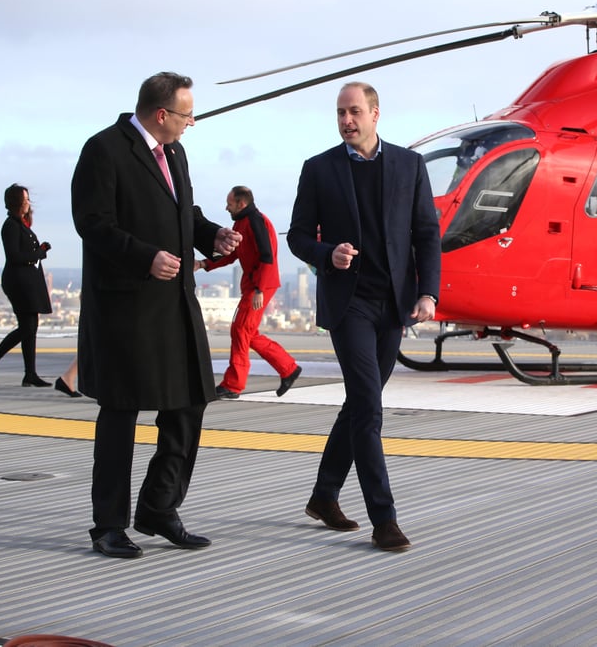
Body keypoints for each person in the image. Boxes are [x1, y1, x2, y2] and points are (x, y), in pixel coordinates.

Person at [71, 71, 241, 559]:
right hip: (125, 308)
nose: (192, 123)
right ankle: (108, 525)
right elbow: (93, 225)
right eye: (188, 114)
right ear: (162, 114)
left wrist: (211, 236)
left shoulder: (175, 152)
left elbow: (182, 212)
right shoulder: (103, 149)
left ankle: (158, 508)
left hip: (175, 305)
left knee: (189, 404)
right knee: (121, 414)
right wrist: (144, 256)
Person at [287, 81, 441, 552]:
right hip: (347, 303)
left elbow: (427, 234)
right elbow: (296, 236)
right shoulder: (319, 169)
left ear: (375, 113)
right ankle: (385, 519)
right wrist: (326, 252)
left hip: (393, 306)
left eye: (354, 112)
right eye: (340, 113)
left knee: (359, 404)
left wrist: (428, 293)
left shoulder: (410, 165)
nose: (346, 121)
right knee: (369, 408)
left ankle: (323, 495)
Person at [196, 185, 301, 399]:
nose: (226, 207)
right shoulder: (241, 222)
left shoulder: (255, 221)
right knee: (247, 332)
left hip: (259, 287)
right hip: (255, 286)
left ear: (241, 203)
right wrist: (204, 264)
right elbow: (232, 254)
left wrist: (259, 290)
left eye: (229, 203)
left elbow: (266, 256)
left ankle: (233, 385)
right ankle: (288, 368)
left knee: (240, 329)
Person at [0, 184, 53, 387]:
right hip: (18, 282)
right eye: (26, 199)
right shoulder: (10, 226)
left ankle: (30, 374)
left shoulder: (21, 225)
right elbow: (15, 256)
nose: (29, 202)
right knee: (27, 327)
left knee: (31, 326)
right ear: (17, 203)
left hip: (26, 281)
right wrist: (38, 253)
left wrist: (40, 249)